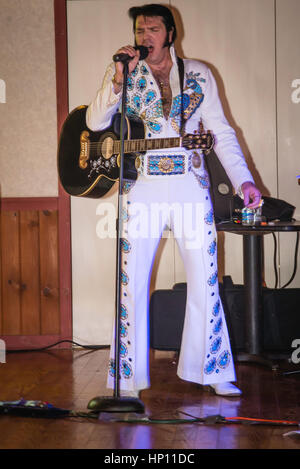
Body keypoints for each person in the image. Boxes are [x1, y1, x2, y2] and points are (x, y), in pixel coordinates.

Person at [86, 4, 261, 397]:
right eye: (139, 29)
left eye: (152, 28)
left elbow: (222, 132)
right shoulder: (126, 75)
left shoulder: (199, 73)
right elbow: (96, 123)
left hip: (189, 182)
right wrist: (117, 78)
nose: (144, 35)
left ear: (169, 33)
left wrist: (244, 182)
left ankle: (213, 371)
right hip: (143, 186)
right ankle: (125, 379)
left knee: (205, 275)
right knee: (130, 281)